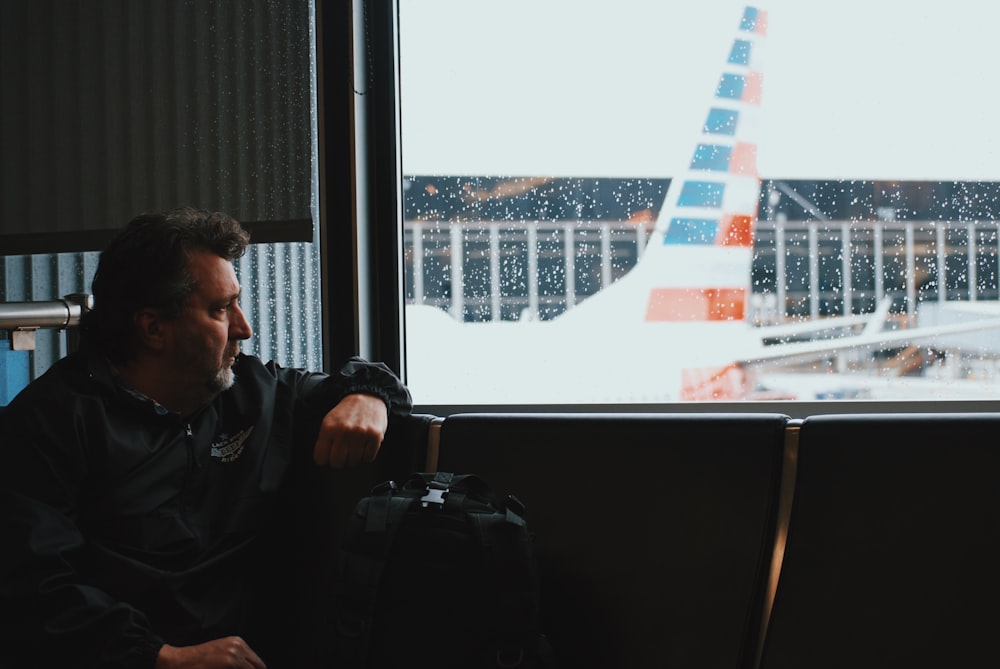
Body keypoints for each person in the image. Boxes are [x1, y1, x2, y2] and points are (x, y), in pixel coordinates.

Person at [0, 207, 413, 668]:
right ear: (154, 328)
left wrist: (368, 395)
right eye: (221, 309)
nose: (244, 327)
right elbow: (33, 587)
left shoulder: (253, 393)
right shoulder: (52, 422)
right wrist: (161, 657)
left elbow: (365, 384)